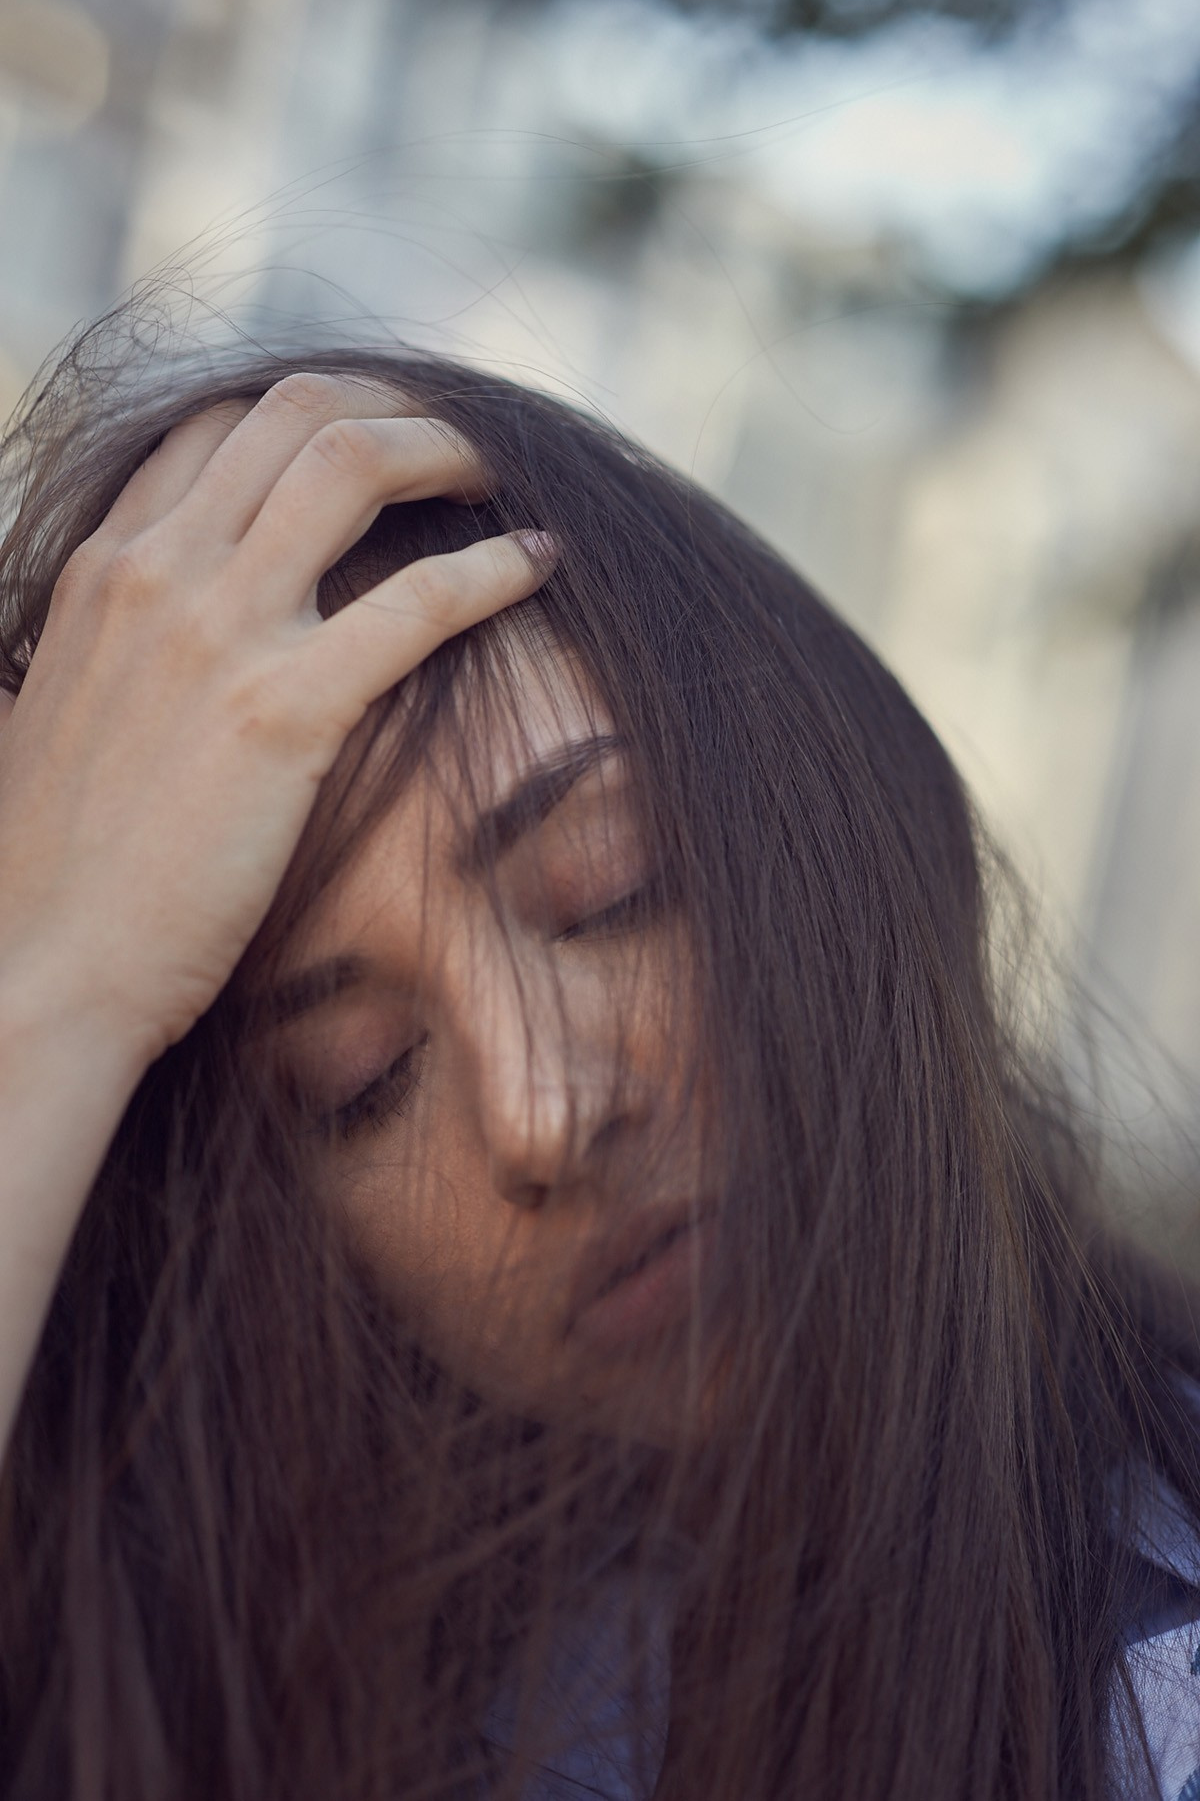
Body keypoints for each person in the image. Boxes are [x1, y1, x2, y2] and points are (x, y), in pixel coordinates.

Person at [0, 320, 1198, 1801]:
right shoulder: (246, 1714)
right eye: (357, 1079)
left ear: (827, 806)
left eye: (611, 884)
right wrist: (49, 991)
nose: (544, 1110)